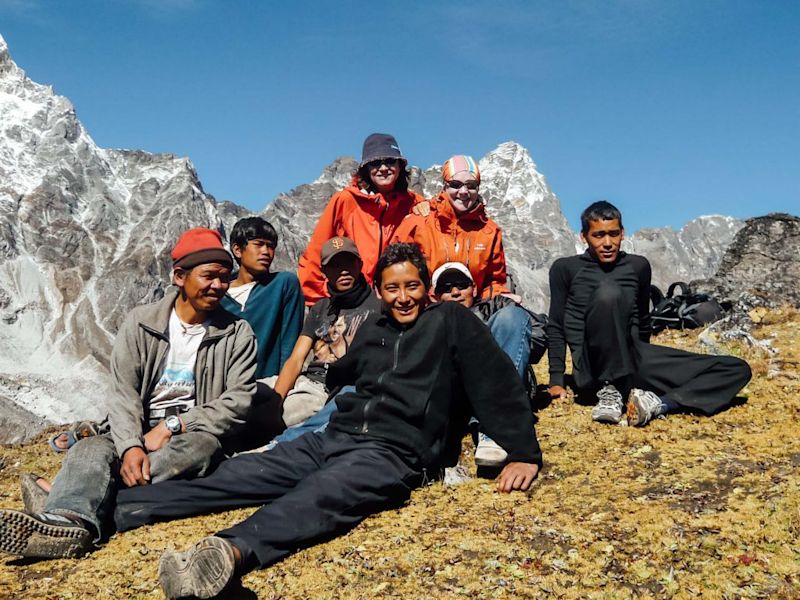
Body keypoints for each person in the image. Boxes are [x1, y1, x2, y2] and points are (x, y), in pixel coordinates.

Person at [111, 243, 542, 600]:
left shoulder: (450, 321)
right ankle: (118, 510)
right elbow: (342, 372)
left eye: (412, 286)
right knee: (243, 473)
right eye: (392, 288)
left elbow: (496, 384)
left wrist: (523, 452)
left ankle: (227, 553)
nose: (403, 297)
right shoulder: (375, 326)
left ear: (426, 288)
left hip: (394, 452)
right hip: (336, 436)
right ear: (380, 290)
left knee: (322, 496)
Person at [0, 228, 258, 559]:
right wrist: (132, 444)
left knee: (201, 448)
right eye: (209, 276)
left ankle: (70, 506)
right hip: (135, 426)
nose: (218, 286)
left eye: (224, 278)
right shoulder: (141, 323)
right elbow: (123, 393)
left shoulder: (237, 333)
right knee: (91, 448)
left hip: (191, 431)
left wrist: (173, 426)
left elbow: (238, 401)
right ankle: (68, 522)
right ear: (179, 276)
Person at [547, 201, 752, 426]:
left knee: (736, 369)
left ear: (622, 233)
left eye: (613, 234)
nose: (607, 243)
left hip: (634, 358)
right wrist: (556, 379)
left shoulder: (638, 266)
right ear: (583, 237)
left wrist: (645, 358)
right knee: (609, 292)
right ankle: (610, 389)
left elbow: (643, 321)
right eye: (598, 235)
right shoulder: (565, 269)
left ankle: (658, 403)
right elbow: (556, 324)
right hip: (591, 368)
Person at [431, 262, 546, 467]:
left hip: (505, 385)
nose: (456, 292)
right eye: (446, 288)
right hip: (458, 394)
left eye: (461, 285)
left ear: (474, 289)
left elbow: (537, 333)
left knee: (512, 316)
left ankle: (493, 428)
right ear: (436, 296)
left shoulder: (498, 305)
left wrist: (490, 343)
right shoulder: (430, 320)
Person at [264, 235, 380, 430]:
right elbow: (296, 359)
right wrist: (275, 399)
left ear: (359, 264)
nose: (343, 270)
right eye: (335, 265)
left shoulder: (378, 308)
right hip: (304, 378)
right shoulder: (320, 308)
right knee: (245, 397)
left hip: (327, 390)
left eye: (348, 262)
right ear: (324, 271)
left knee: (267, 419)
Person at [297, 133, 425, 305]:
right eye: (375, 163)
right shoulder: (346, 200)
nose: (383, 168)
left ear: (400, 166)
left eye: (390, 161)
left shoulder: (415, 203)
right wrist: (319, 303)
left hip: (397, 299)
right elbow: (316, 252)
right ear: (366, 168)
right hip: (353, 299)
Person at [392, 154, 509, 299]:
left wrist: (500, 297)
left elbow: (494, 282)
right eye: (456, 185)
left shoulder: (490, 232)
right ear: (445, 185)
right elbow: (394, 270)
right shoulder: (418, 222)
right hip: (426, 312)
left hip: (472, 313)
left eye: (471, 185)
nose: (464, 192)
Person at [222, 217, 303, 380]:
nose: (266, 251)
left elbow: (289, 343)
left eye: (271, 246)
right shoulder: (218, 294)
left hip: (267, 387)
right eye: (258, 244)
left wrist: (280, 391)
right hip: (222, 390)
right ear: (237, 250)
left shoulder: (283, 284)